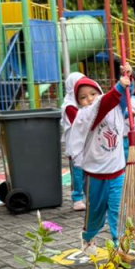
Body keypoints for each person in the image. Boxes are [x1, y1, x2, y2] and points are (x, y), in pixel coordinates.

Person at [66, 63, 133, 255]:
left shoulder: (114, 108)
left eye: (93, 94)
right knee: (95, 214)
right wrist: (119, 86)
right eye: (83, 97)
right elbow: (103, 105)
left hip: (117, 173)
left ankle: (121, 245)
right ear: (78, 102)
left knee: (118, 212)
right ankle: (88, 238)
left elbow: (124, 95)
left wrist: (129, 75)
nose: (89, 99)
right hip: (95, 176)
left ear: (100, 92)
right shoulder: (86, 115)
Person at [60, 72, 87, 212]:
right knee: (77, 171)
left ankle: (89, 196)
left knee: (89, 170)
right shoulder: (70, 105)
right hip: (76, 144)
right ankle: (77, 198)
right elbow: (80, 122)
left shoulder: (84, 101)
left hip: (87, 142)